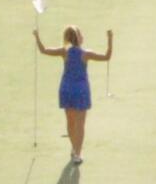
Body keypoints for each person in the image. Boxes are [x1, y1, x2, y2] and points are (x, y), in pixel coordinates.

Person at [35, 25, 112, 163]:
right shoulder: (85, 53)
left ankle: (74, 148)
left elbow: (43, 50)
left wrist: (37, 36)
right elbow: (107, 56)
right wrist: (110, 39)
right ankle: (77, 153)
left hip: (66, 89)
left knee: (70, 122)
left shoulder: (64, 52)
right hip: (81, 90)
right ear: (78, 38)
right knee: (80, 124)